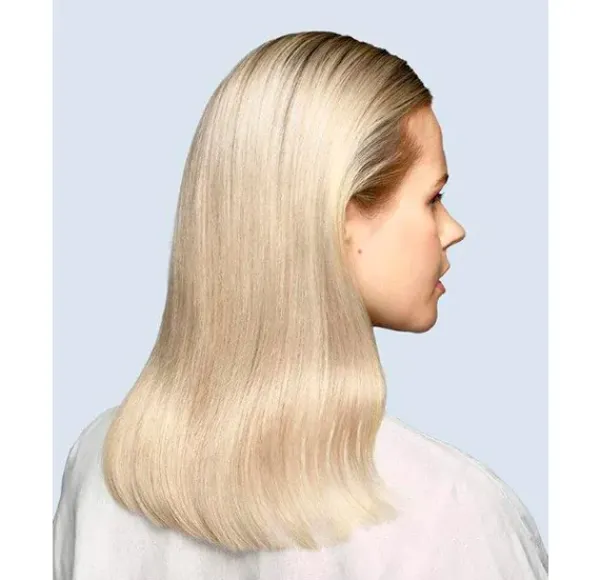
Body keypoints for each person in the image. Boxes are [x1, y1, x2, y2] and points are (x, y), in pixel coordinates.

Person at [53, 30, 549, 578]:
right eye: (433, 198)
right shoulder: (452, 514)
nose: (452, 229)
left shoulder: (97, 468)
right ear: (340, 216)